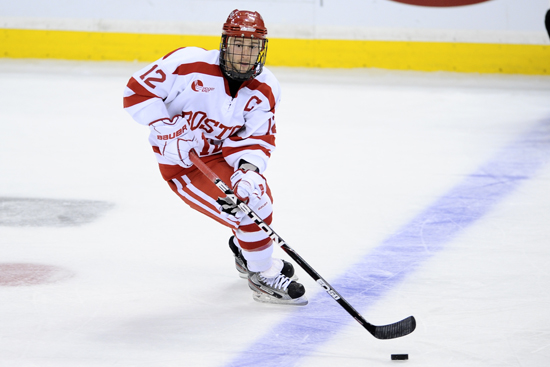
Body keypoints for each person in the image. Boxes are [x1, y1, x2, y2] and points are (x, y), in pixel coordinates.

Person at [123, 9, 307, 306]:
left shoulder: (265, 87)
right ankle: (261, 275)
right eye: (238, 44)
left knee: (256, 197)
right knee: (246, 213)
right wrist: (163, 127)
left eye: (252, 46)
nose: (245, 53)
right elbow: (136, 92)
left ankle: (246, 249)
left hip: (223, 158)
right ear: (224, 43)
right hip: (185, 166)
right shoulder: (188, 64)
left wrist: (248, 171)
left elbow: (257, 138)